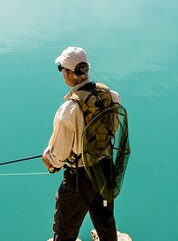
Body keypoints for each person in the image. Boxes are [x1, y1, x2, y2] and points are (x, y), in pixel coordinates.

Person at [43, 46, 122, 241]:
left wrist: (48, 159)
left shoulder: (68, 110)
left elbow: (58, 157)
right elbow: (113, 128)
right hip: (105, 170)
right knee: (104, 218)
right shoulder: (112, 96)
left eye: (61, 69)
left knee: (64, 229)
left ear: (69, 74)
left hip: (79, 179)